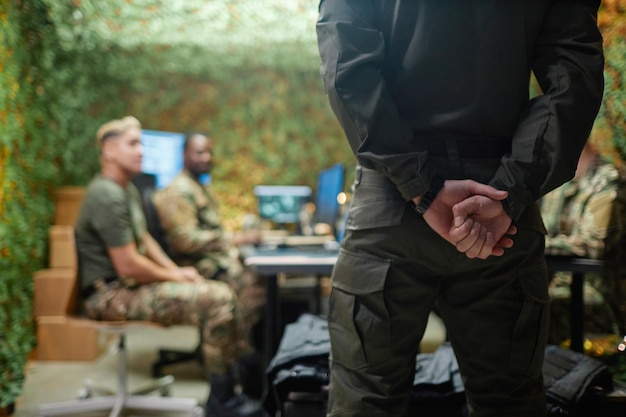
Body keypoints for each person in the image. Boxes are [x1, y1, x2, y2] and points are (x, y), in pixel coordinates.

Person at [316, 1, 604, 416]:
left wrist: (422, 189)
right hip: (500, 209)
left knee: (366, 403)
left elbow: (347, 70)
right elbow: (573, 76)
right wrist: (511, 188)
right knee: (510, 403)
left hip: (391, 209)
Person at [74, 116, 265, 417]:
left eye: (141, 144)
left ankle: (232, 390)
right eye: (132, 143)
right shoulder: (106, 194)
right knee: (218, 298)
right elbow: (127, 265)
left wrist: (176, 273)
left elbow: (146, 241)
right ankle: (223, 402)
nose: (141, 151)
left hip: (127, 288)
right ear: (109, 151)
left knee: (217, 291)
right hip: (109, 297)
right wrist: (172, 274)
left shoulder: (126, 190)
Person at [152, 132, 266, 399]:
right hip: (193, 266)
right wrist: (234, 239)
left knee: (255, 276)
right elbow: (184, 240)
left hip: (209, 261)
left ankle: (242, 356)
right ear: (185, 155)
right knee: (251, 286)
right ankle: (240, 357)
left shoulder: (197, 186)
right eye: (199, 153)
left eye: (208, 152)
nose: (207, 158)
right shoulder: (179, 191)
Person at [541, 141, 624, 343]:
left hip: (597, 296)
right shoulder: (558, 182)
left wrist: (532, 244)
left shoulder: (609, 181)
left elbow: (592, 246)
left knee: (525, 316)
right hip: (554, 286)